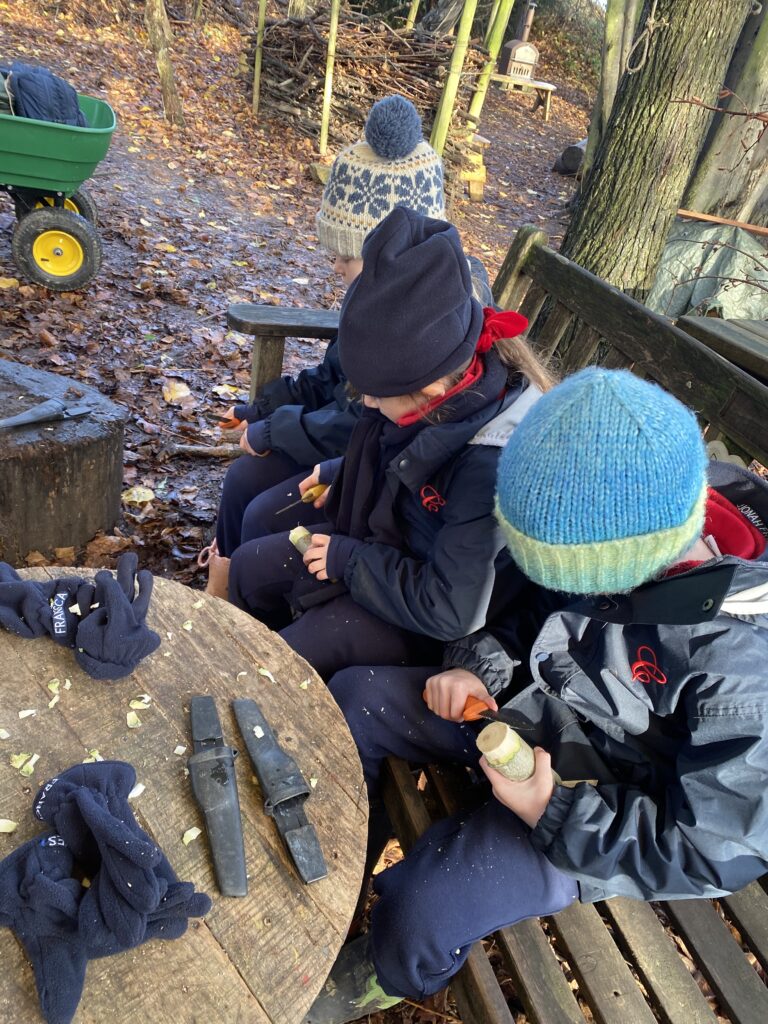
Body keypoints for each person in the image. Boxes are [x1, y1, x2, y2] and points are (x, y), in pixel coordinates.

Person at [305, 367, 768, 1024]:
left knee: (424, 910)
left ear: (614, 567)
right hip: (533, 713)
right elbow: (532, 612)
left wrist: (552, 810)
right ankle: (332, 861)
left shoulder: (741, 668)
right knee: (357, 699)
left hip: (600, 807)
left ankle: (386, 975)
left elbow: (709, 846)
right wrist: (478, 666)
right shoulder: (604, 526)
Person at [227, 206, 555, 679]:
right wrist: (344, 470)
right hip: (390, 545)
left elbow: (451, 609)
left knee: (286, 662)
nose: (368, 406)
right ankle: (239, 654)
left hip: (435, 619)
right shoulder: (432, 388)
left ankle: (268, 699)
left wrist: (350, 560)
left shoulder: (492, 464)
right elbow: (405, 460)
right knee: (248, 566)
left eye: (376, 396)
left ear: (432, 390)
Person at [202, 95, 486, 598]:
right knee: (243, 482)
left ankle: (242, 603)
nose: (334, 268)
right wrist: (265, 407)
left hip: (374, 473)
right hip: (339, 449)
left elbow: (367, 416)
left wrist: (277, 429)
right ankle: (223, 586)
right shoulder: (379, 301)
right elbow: (335, 377)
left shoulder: (430, 321)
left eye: (346, 258)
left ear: (390, 256)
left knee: (257, 501)